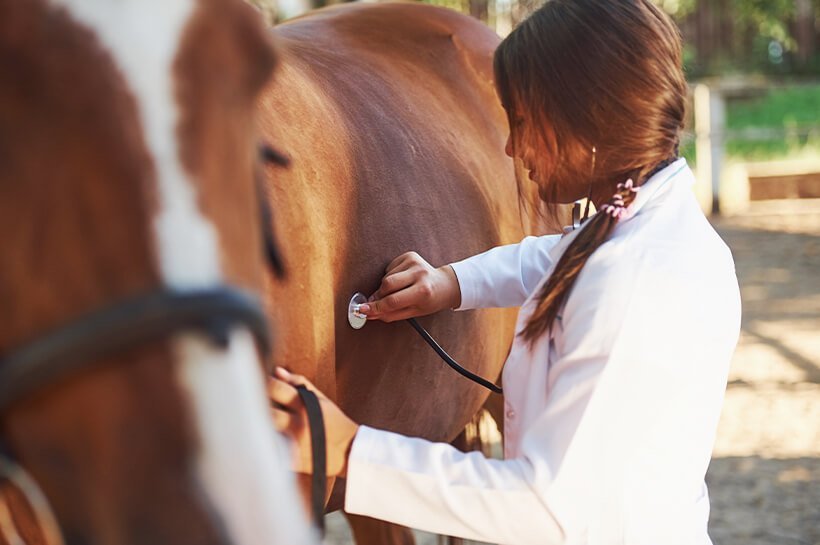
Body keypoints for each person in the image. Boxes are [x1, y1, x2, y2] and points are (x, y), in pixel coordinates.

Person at [268, 0, 741, 543]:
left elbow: (544, 507)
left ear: (587, 116)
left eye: (522, 121)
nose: (513, 149)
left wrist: (352, 448)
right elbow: (552, 257)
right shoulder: (649, 223)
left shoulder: (630, 281)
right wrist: (451, 283)